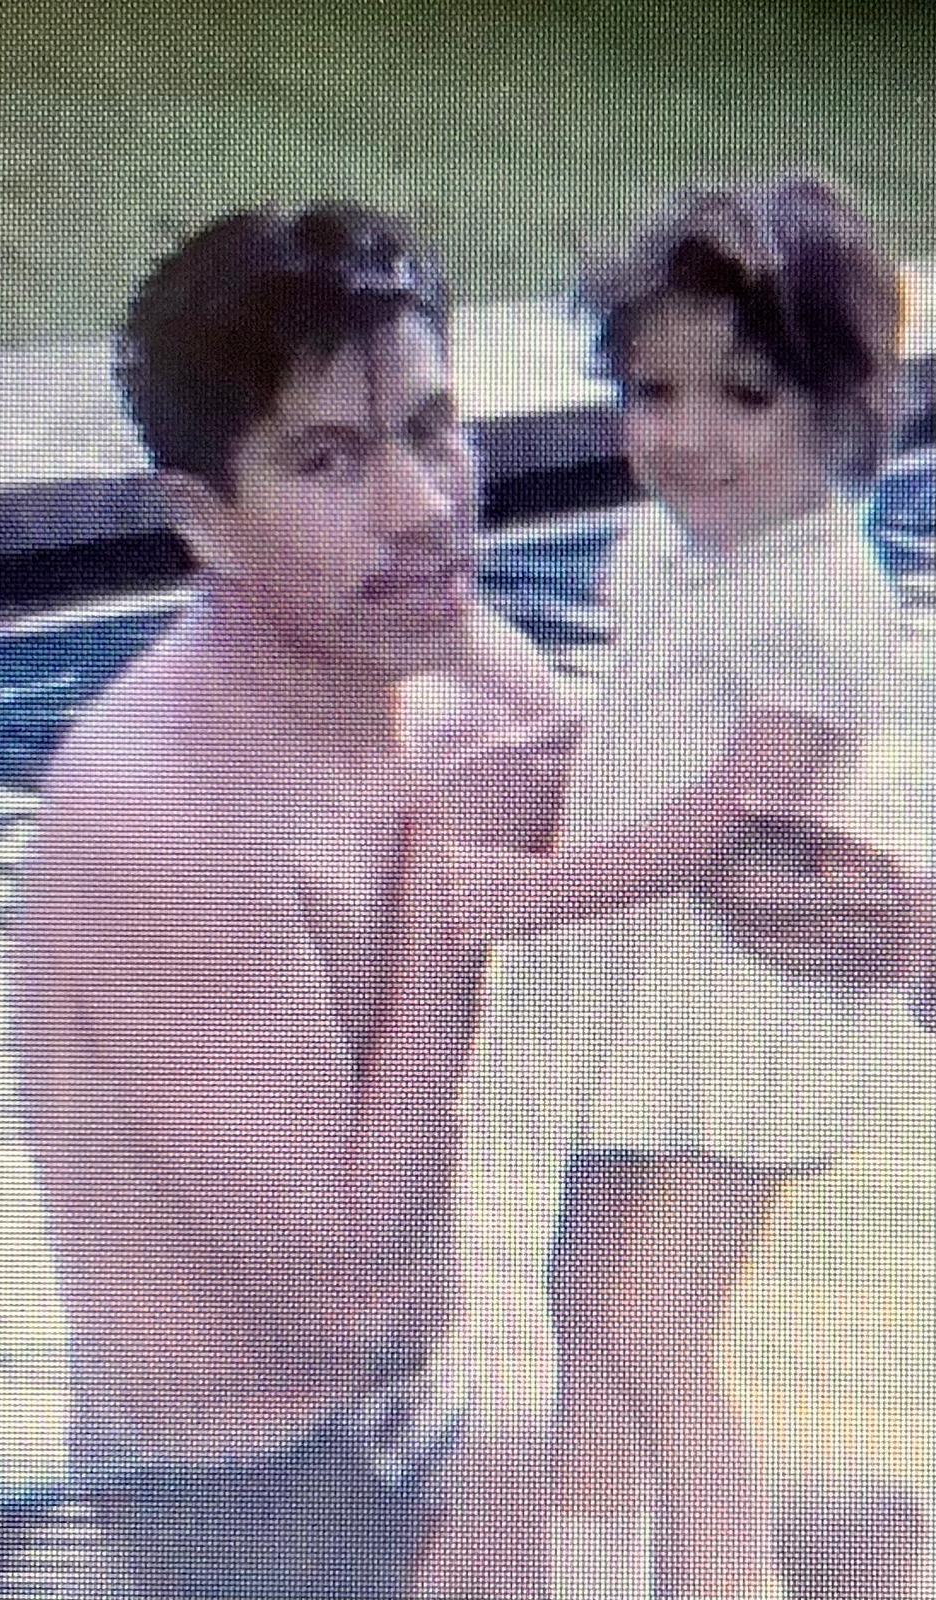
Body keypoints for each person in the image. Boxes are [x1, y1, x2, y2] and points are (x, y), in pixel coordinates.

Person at [434, 175, 932, 1600]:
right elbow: (636, 743)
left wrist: (533, 891)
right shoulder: (663, 552)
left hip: (747, 1007)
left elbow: (726, 821)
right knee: (581, 1305)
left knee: (656, 1336)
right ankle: (601, 1567)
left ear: (840, 412)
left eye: (744, 397)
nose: (688, 436)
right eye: (653, 391)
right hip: (647, 998)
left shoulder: (820, 602)